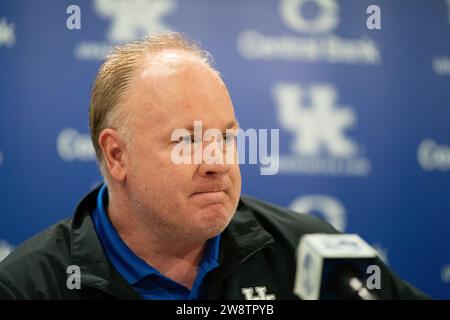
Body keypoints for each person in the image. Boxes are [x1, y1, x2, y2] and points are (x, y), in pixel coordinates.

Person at [0, 32, 428, 300]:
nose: (217, 162)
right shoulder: (30, 286)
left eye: (225, 137)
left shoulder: (308, 254)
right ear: (116, 155)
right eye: (187, 140)